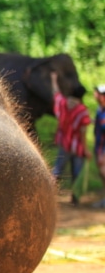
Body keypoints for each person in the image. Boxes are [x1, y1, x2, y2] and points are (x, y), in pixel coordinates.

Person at [50, 72, 91, 205]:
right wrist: (86, 149)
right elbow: (83, 132)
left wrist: (54, 79)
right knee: (76, 172)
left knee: (57, 170)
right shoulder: (82, 111)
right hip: (77, 146)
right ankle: (75, 197)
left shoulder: (63, 103)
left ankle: (48, 193)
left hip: (64, 143)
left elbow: (56, 93)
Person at [92, 84, 105, 208]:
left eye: (100, 94)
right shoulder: (99, 110)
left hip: (103, 149)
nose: (96, 95)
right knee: (102, 174)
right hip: (99, 147)